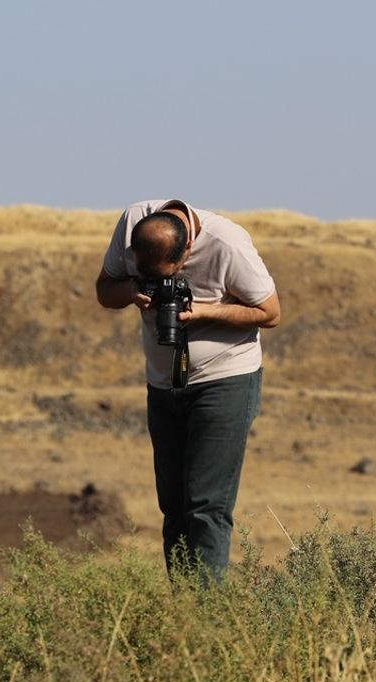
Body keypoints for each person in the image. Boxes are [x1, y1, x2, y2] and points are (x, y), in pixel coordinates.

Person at [95, 199, 281, 579]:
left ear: (189, 250)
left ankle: (206, 621)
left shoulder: (228, 243)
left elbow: (270, 313)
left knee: (205, 506)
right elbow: (104, 291)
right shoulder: (132, 221)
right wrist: (132, 291)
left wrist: (203, 312)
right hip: (164, 384)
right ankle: (183, 611)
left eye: (171, 274)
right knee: (174, 506)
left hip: (225, 379)